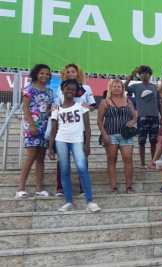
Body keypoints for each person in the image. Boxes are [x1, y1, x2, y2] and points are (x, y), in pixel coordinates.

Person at [48, 79, 101, 212]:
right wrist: (50, 148)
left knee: (82, 169)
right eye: (67, 89)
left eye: (72, 89)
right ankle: (68, 202)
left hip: (77, 141)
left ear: (76, 92)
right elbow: (53, 130)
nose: (70, 91)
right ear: (62, 90)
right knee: (64, 171)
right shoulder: (57, 109)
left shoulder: (81, 106)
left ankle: (89, 201)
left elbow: (87, 127)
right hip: (61, 141)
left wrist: (87, 143)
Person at [55, 63, 96, 196]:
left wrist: (87, 107)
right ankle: (60, 187)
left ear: (78, 73)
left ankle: (83, 188)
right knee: (62, 160)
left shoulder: (86, 88)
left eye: (73, 71)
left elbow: (92, 106)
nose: (70, 74)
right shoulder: (61, 88)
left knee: (82, 160)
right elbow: (57, 107)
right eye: (68, 72)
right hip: (65, 128)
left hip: (81, 129)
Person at [16, 64, 53, 198]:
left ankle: (38, 188)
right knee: (30, 156)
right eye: (42, 73)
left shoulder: (50, 92)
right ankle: (20, 188)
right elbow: (25, 107)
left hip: (44, 126)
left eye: (47, 74)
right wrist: (32, 125)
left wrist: (51, 111)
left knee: (41, 158)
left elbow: (47, 109)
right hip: (32, 125)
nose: (44, 76)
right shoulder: (29, 88)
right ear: (36, 74)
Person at [97, 79, 137, 194]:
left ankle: (129, 186)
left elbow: (135, 117)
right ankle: (113, 187)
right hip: (110, 134)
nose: (116, 88)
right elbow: (99, 121)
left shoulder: (128, 101)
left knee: (128, 159)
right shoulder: (105, 102)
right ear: (110, 88)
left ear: (122, 88)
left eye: (119, 86)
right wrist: (104, 134)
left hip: (125, 134)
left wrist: (132, 122)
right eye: (114, 86)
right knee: (111, 160)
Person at [124, 65, 162, 168]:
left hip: (154, 116)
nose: (144, 75)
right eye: (142, 73)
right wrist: (130, 77)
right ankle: (142, 163)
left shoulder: (155, 87)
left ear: (149, 75)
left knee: (154, 141)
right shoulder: (136, 86)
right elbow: (125, 87)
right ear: (139, 76)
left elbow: (158, 102)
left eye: (146, 73)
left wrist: (161, 115)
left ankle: (153, 162)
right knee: (142, 141)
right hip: (141, 117)